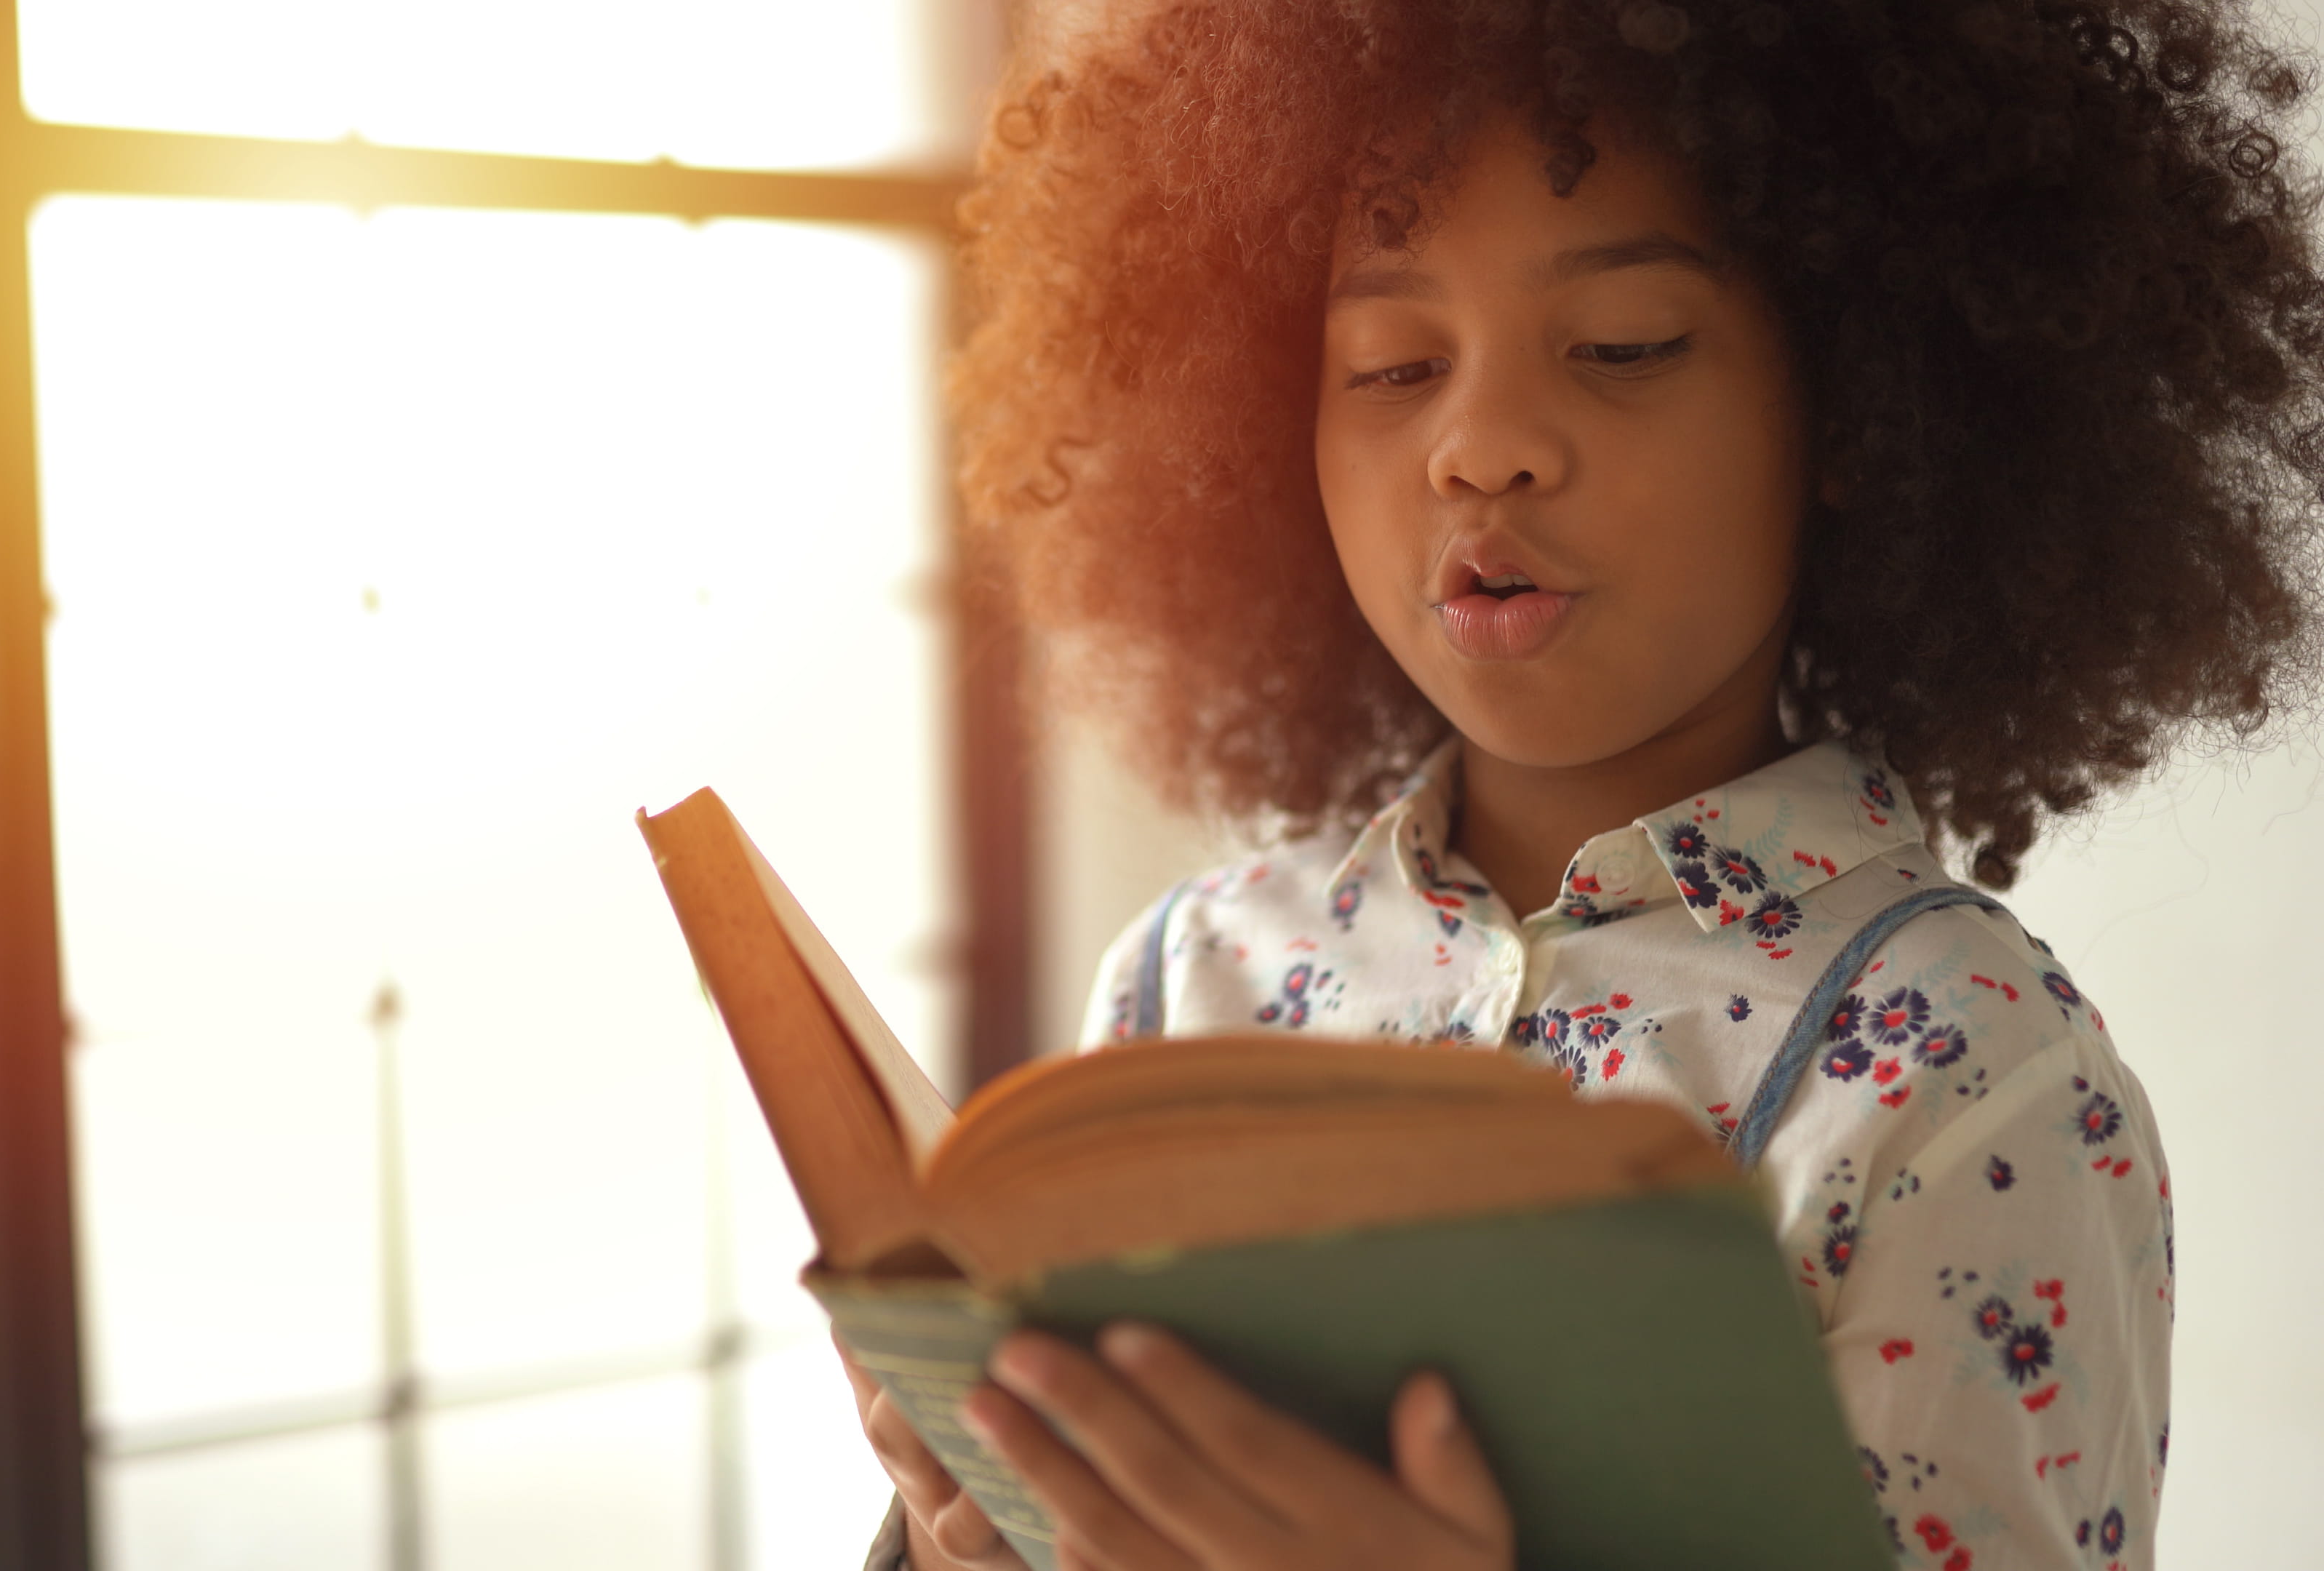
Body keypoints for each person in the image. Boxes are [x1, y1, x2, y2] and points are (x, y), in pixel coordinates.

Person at [846, 3, 2324, 1567]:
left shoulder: (1966, 1080)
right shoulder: (1181, 983)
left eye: (1624, 347)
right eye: (1391, 362)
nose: (1478, 447)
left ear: (1856, 408)